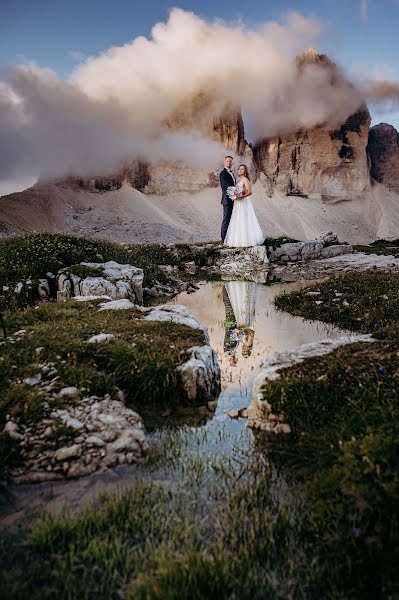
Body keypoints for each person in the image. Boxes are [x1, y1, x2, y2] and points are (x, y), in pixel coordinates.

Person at [223, 164, 264, 247]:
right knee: (237, 219)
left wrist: (240, 196)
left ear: (245, 171)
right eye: (239, 169)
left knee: (243, 219)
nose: (240, 170)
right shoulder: (237, 180)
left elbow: (250, 192)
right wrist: (234, 195)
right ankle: (238, 240)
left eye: (242, 169)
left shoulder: (245, 179)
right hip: (237, 203)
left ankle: (246, 240)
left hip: (243, 201)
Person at [219, 155, 236, 243]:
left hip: (233, 200)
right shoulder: (223, 173)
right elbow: (225, 186)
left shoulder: (231, 173)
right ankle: (224, 240)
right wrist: (234, 196)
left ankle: (230, 239)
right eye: (227, 161)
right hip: (227, 200)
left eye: (230, 161)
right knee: (226, 220)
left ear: (232, 163)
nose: (229, 162)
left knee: (231, 220)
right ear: (225, 162)